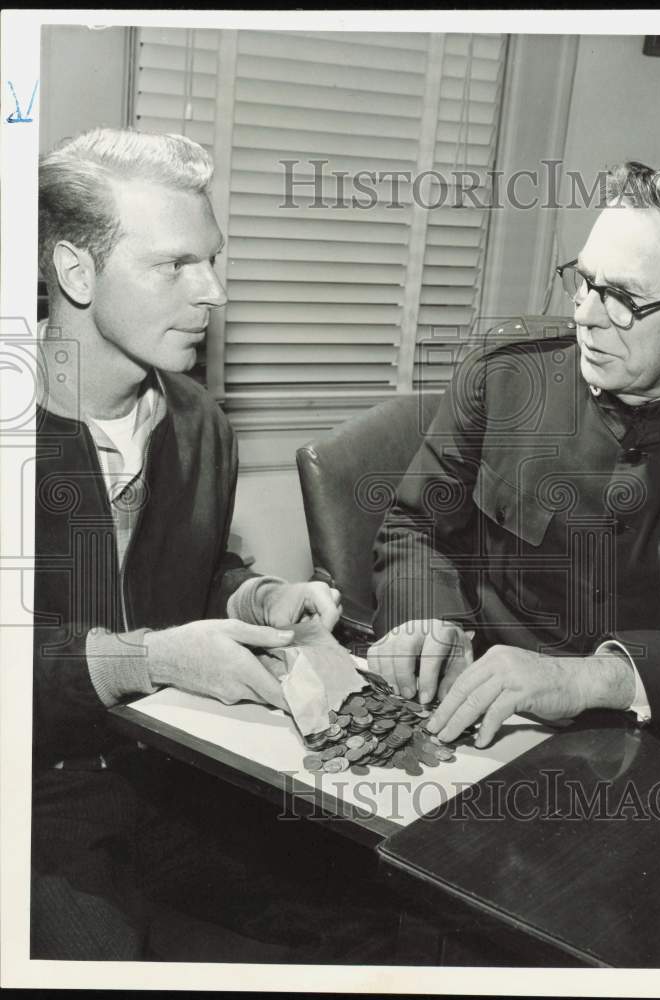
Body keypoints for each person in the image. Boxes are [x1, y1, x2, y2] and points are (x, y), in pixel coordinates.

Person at [32, 127, 343, 959]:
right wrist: (156, 660)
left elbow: (194, 572)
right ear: (74, 272)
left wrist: (262, 598)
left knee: (369, 908)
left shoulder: (199, 421)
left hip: (170, 773)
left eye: (211, 260)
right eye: (174, 265)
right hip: (30, 801)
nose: (211, 292)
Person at [370, 158, 660, 746]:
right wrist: (428, 614)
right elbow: (418, 523)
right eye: (585, 280)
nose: (584, 315)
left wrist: (607, 678)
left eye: (622, 298)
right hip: (492, 722)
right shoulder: (509, 374)